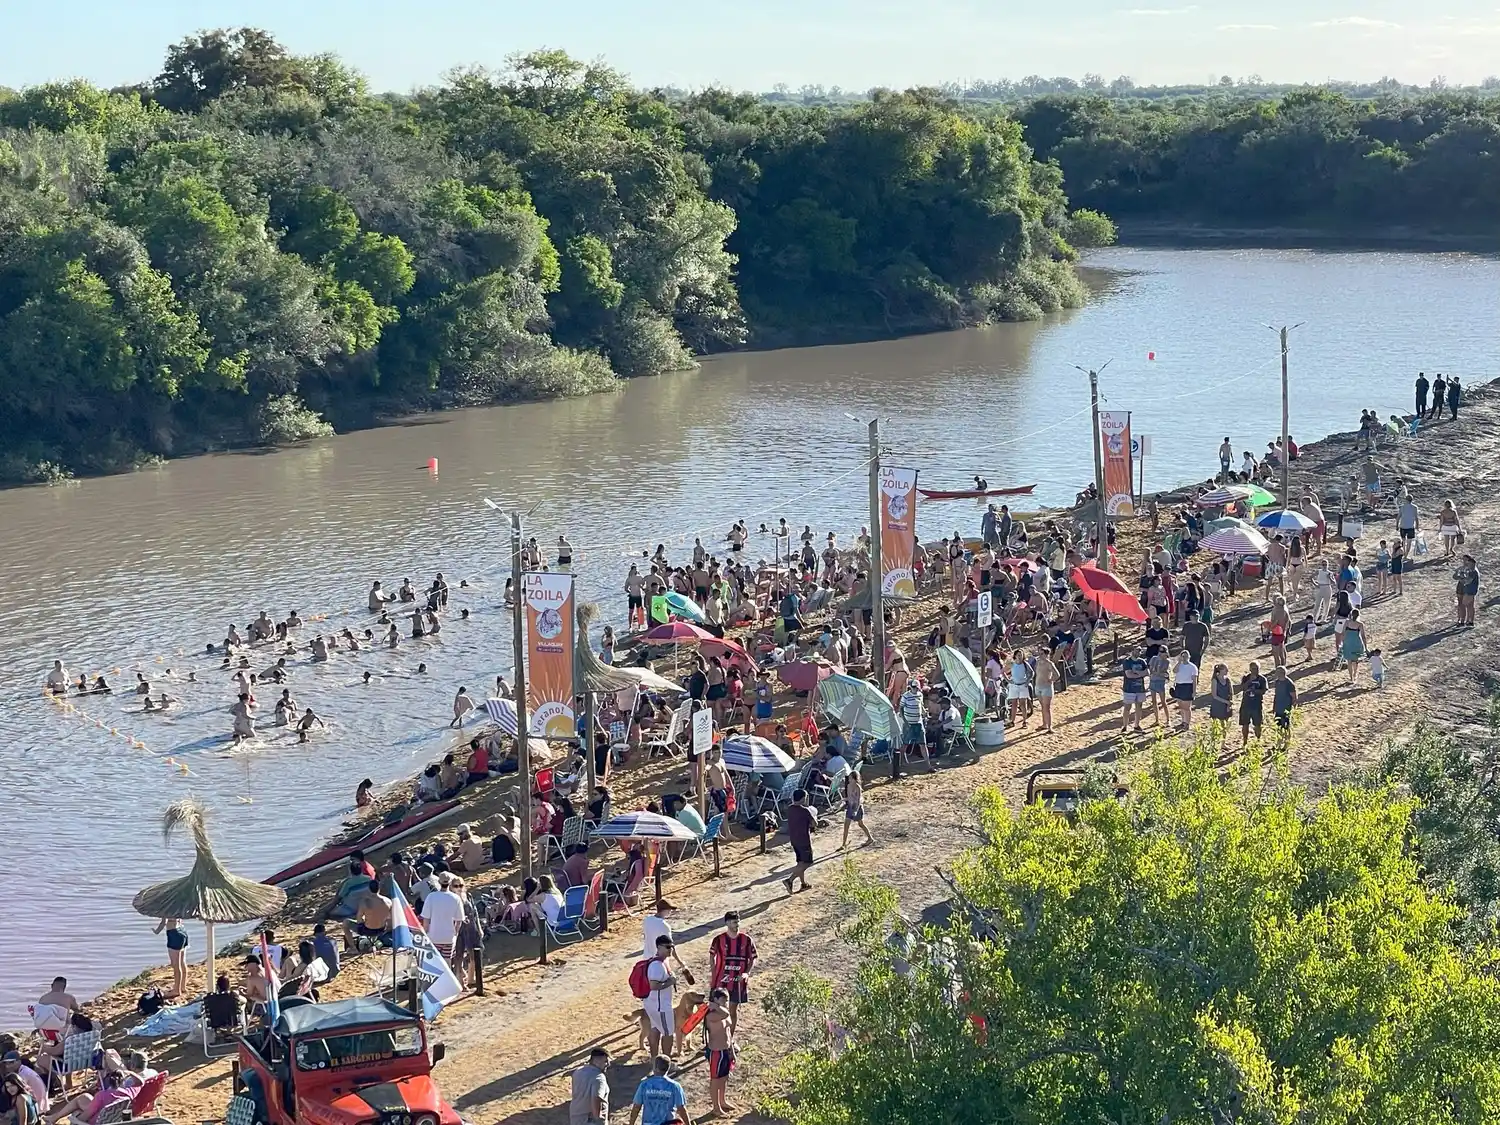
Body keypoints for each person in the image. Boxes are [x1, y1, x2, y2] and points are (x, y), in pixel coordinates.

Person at [709, 911, 758, 1034]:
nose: (737, 924)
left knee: (732, 1010)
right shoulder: (718, 939)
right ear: (727, 923)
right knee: (717, 1010)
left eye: (738, 921)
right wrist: (714, 974)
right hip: (721, 981)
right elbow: (711, 956)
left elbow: (753, 958)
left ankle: (729, 1039)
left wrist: (746, 973)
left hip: (737, 982)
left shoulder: (746, 940)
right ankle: (715, 1038)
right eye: (734, 922)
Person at [642, 937, 680, 1060]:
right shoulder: (657, 966)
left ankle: (655, 1060)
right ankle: (665, 1062)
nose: (671, 949)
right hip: (661, 1006)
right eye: (668, 947)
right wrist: (671, 982)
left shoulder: (661, 962)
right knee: (668, 1033)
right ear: (659, 947)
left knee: (655, 1029)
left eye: (672, 946)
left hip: (653, 1004)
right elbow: (654, 985)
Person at [703, 988, 738, 1116]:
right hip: (716, 1051)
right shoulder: (712, 1015)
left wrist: (732, 1051)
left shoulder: (723, 1011)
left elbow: (728, 1033)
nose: (726, 1002)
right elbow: (725, 1015)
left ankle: (722, 1101)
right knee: (715, 1079)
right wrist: (715, 1006)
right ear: (716, 1000)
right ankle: (716, 1107)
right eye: (724, 1000)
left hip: (726, 1050)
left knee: (724, 1078)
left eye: (727, 1000)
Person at [628, 1055, 689, 1125]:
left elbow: (636, 1107)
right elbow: (681, 1109)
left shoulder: (644, 1084)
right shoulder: (675, 1086)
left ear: (655, 1067)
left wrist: (631, 1123)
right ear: (668, 1068)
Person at [420, 874, 466, 963]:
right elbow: (459, 920)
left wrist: (426, 933)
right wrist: (455, 933)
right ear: (450, 883)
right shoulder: (456, 898)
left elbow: (426, 919)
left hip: (433, 936)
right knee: (447, 962)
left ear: (439, 882)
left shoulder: (431, 897)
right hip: (448, 937)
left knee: (434, 962)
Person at [782, 789, 817, 894]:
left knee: (800, 862)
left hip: (794, 839)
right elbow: (814, 824)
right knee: (807, 862)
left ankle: (803, 883)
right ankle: (790, 880)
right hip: (804, 840)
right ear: (802, 798)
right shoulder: (805, 811)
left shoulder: (790, 809)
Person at [570, 1046, 610, 1125]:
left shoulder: (578, 1071)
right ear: (597, 1061)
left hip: (576, 1117)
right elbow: (596, 1098)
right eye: (605, 1061)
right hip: (590, 1120)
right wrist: (598, 1117)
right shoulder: (599, 1077)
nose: (608, 1064)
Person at [152, 917, 188, 998]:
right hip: (182, 931)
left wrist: (156, 931)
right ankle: (182, 986)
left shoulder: (167, 907)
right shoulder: (178, 906)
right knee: (182, 962)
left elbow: (163, 922)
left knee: (175, 965)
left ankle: (176, 991)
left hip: (173, 933)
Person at [1238, 661, 1267, 748]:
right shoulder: (1246, 678)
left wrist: (1254, 691)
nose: (1255, 670)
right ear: (1250, 669)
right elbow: (1242, 688)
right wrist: (1249, 681)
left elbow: (1264, 690)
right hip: (1246, 704)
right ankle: (1245, 741)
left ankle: (1258, 740)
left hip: (1257, 705)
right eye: (1254, 669)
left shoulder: (1262, 679)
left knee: (1257, 724)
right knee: (1245, 724)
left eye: (1257, 669)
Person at [1120, 649, 1147, 735]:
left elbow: (1147, 672)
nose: (1138, 652)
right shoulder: (1127, 662)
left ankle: (1137, 725)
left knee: (1139, 707)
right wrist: (1140, 674)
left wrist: (1136, 673)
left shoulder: (1142, 661)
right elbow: (1128, 675)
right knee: (1127, 707)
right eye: (1136, 651)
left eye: (1139, 651)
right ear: (1132, 651)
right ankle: (1124, 726)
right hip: (1129, 689)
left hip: (1140, 688)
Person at [1170, 650, 1198, 730]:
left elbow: (1194, 680)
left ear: (1189, 657)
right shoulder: (1180, 665)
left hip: (1187, 687)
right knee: (1181, 706)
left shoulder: (1192, 667)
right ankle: (1183, 721)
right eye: (1183, 656)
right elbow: (1174, 671)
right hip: (1179, 686)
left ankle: (1187, 723)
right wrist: (1178, 662)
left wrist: (1194, 691)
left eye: (1186, 656)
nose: (1184, 658)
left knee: (1187, 707)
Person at [1341, 608, 1368, 685]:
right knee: (1355, 661)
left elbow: (1343, 632)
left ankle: (1351, 678)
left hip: (1348, 642)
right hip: (1356, 642)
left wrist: (1343, 642)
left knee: (1349, 661)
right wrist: (1366, 647)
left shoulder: (1347, 622)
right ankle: (1355, 675)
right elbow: (1363, 636)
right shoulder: (1360, 624)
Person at [1271, 667, 1297, 746]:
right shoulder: (1277, 682)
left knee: (1286, 726)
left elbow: (1294, 696)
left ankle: (1286, 744)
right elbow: (1276, 695)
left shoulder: (1289, 683)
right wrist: (1274, 707)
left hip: (1286, 708)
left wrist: (1292, 707)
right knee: (1278, 726)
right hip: (1278, 707)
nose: (1276, 674)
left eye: (1277, 672)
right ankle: (1278, 743)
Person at [1456, 553, 1480, 627]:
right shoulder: (1468, 569)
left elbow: (1468, 581)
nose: (1465, 563)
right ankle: (1468, 621)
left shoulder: (1473, 571)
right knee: (1468, 605)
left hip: (1469, 590)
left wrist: (1461, 578)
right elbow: (1455, 575)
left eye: (1467, 561)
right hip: (1467, 590)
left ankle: (1465, 621)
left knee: (1465, 605)